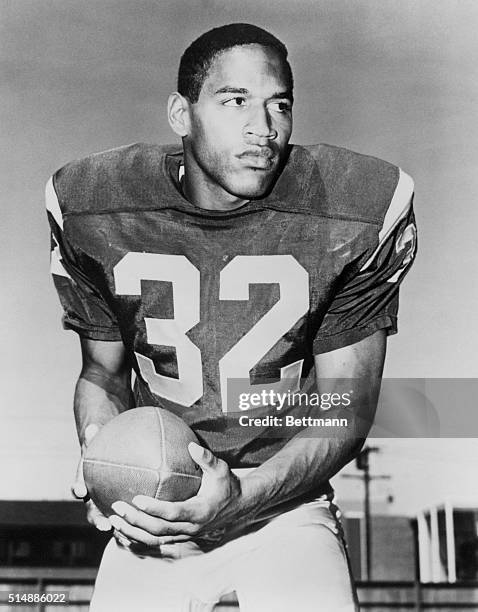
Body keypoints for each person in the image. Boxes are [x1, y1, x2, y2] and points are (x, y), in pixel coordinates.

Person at [46, 22, 417, 612]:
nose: (262, 128)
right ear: (180, 113)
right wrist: (103, 454)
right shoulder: (96, 204)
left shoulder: (353, 208)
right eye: (235, 100)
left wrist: (242, 498)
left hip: (284, 506)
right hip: (161, 512)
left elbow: (348, 406)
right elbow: (102, 375)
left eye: (280, 105)